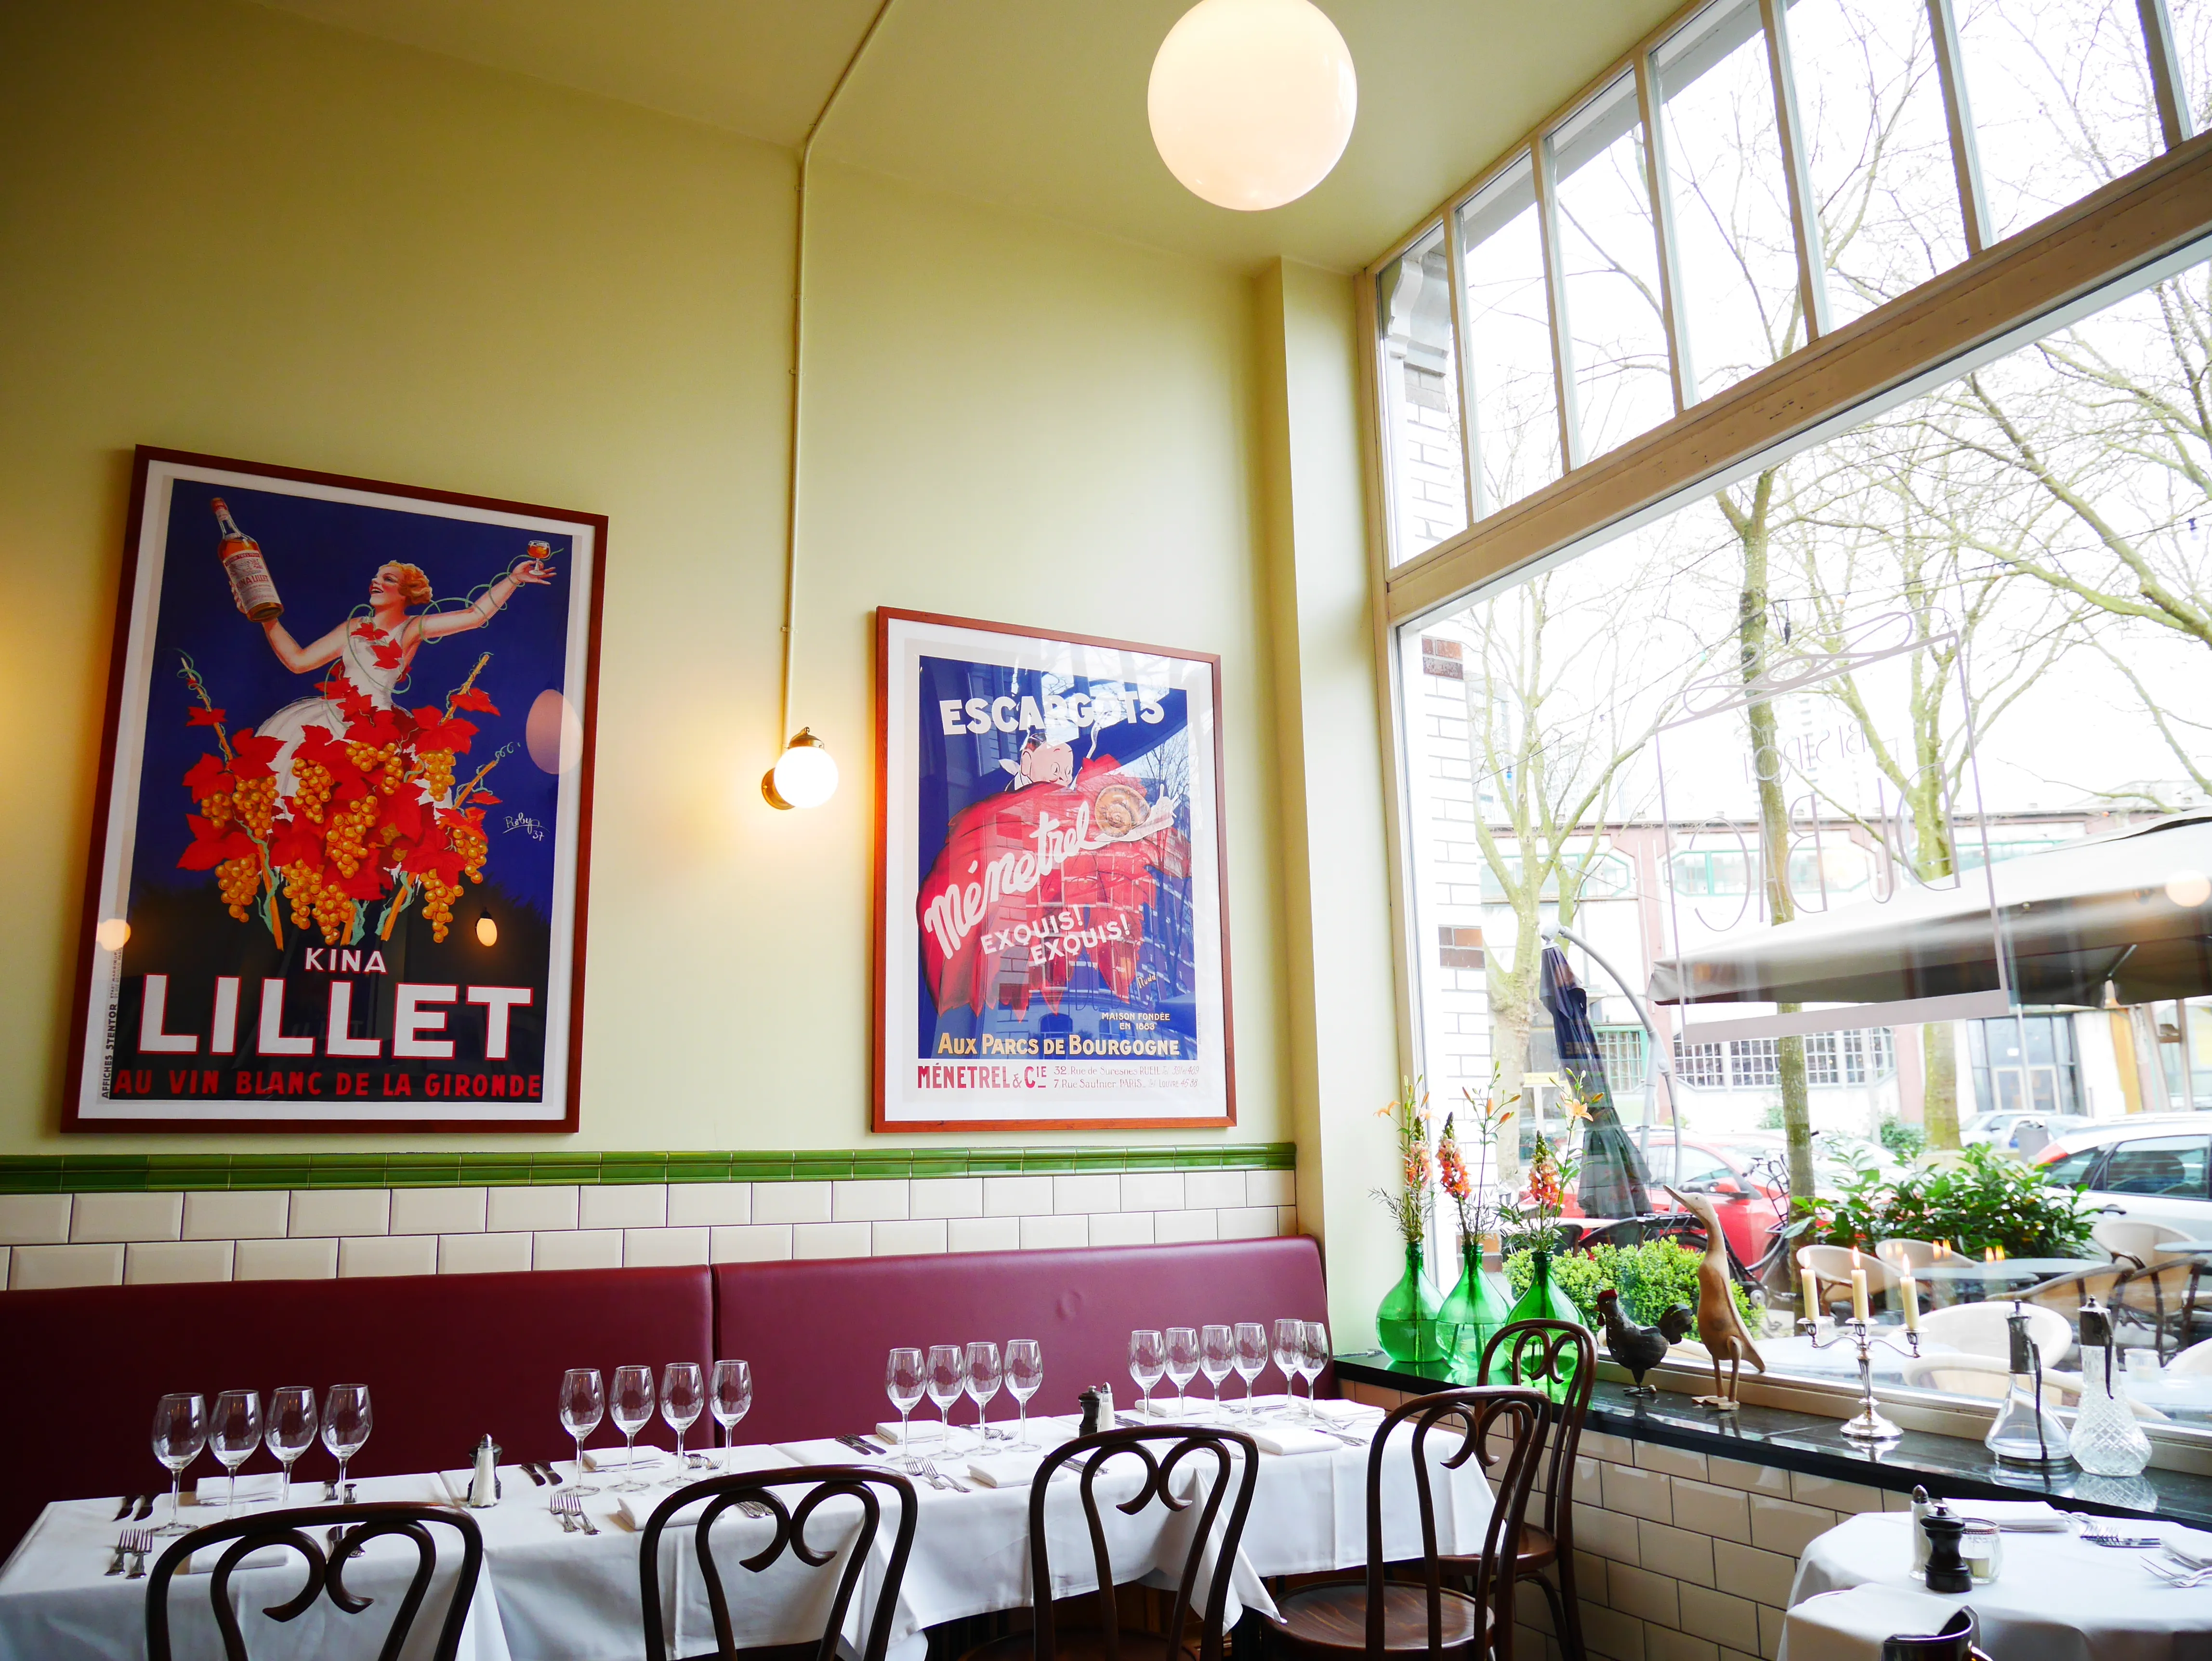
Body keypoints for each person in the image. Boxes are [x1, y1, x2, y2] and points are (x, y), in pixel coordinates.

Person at [250, 553, 556, 795]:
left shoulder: (411, 628)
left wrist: (514, 580)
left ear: (406, 592)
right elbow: (298, 662)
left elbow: (474, 616)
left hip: (382, 728)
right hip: (334, 720)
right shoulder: (354, 627)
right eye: (375, 577)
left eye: (388, 578)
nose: (376, 582)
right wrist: (267, 621)